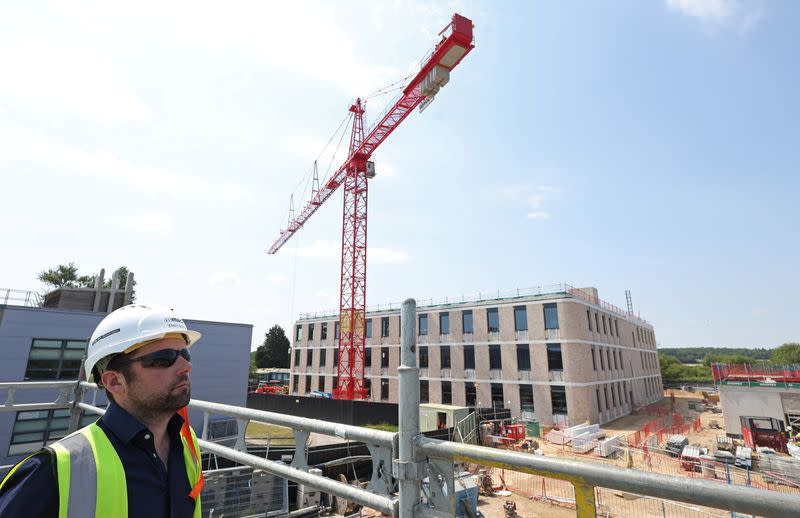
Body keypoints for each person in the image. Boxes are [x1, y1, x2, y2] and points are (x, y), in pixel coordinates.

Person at [0, 304, 205, 517]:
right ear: (115, 381)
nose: (186, 366)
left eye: (185, 354)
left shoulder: (186, 444)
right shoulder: (52, 472)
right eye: (164, 359)